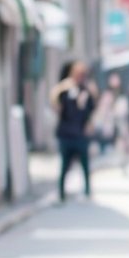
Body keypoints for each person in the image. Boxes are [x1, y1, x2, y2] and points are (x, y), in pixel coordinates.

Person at [50, 60, 97, 200]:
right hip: (66, 134)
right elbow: (59, 107)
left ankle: (88, 190)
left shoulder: (87, 91)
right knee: (65, 165)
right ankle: (61, 192)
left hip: (81, 134)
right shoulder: (64, 90)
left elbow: (92, 108)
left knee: (85, 164)